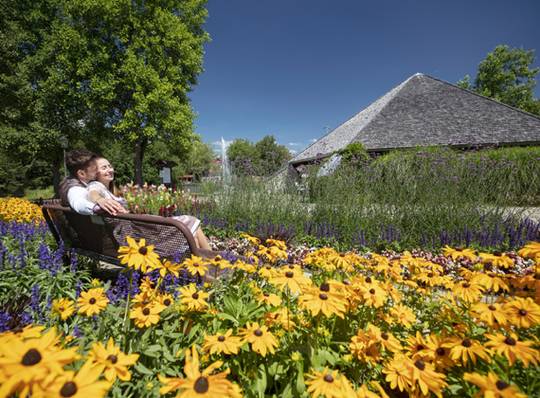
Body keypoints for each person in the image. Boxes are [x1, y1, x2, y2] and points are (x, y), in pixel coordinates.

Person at [87, 156, 211, 250]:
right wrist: (100, 200)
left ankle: (208, 268)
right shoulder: (96, 186)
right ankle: (213, 265)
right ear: (94, 173)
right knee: (190, 221)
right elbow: (93, 193)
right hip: (135, 235)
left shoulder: (108, 190)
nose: (109, 169)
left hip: (135, 230)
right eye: (104, 168)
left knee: (192, 231)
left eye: (109, 166)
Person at [58, 149, 127, 216]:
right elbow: (78, 203)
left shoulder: (75, 183)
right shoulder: (74, 188)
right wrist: (96, 206)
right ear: (82, 174)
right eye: (95, 169)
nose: (98, 171)